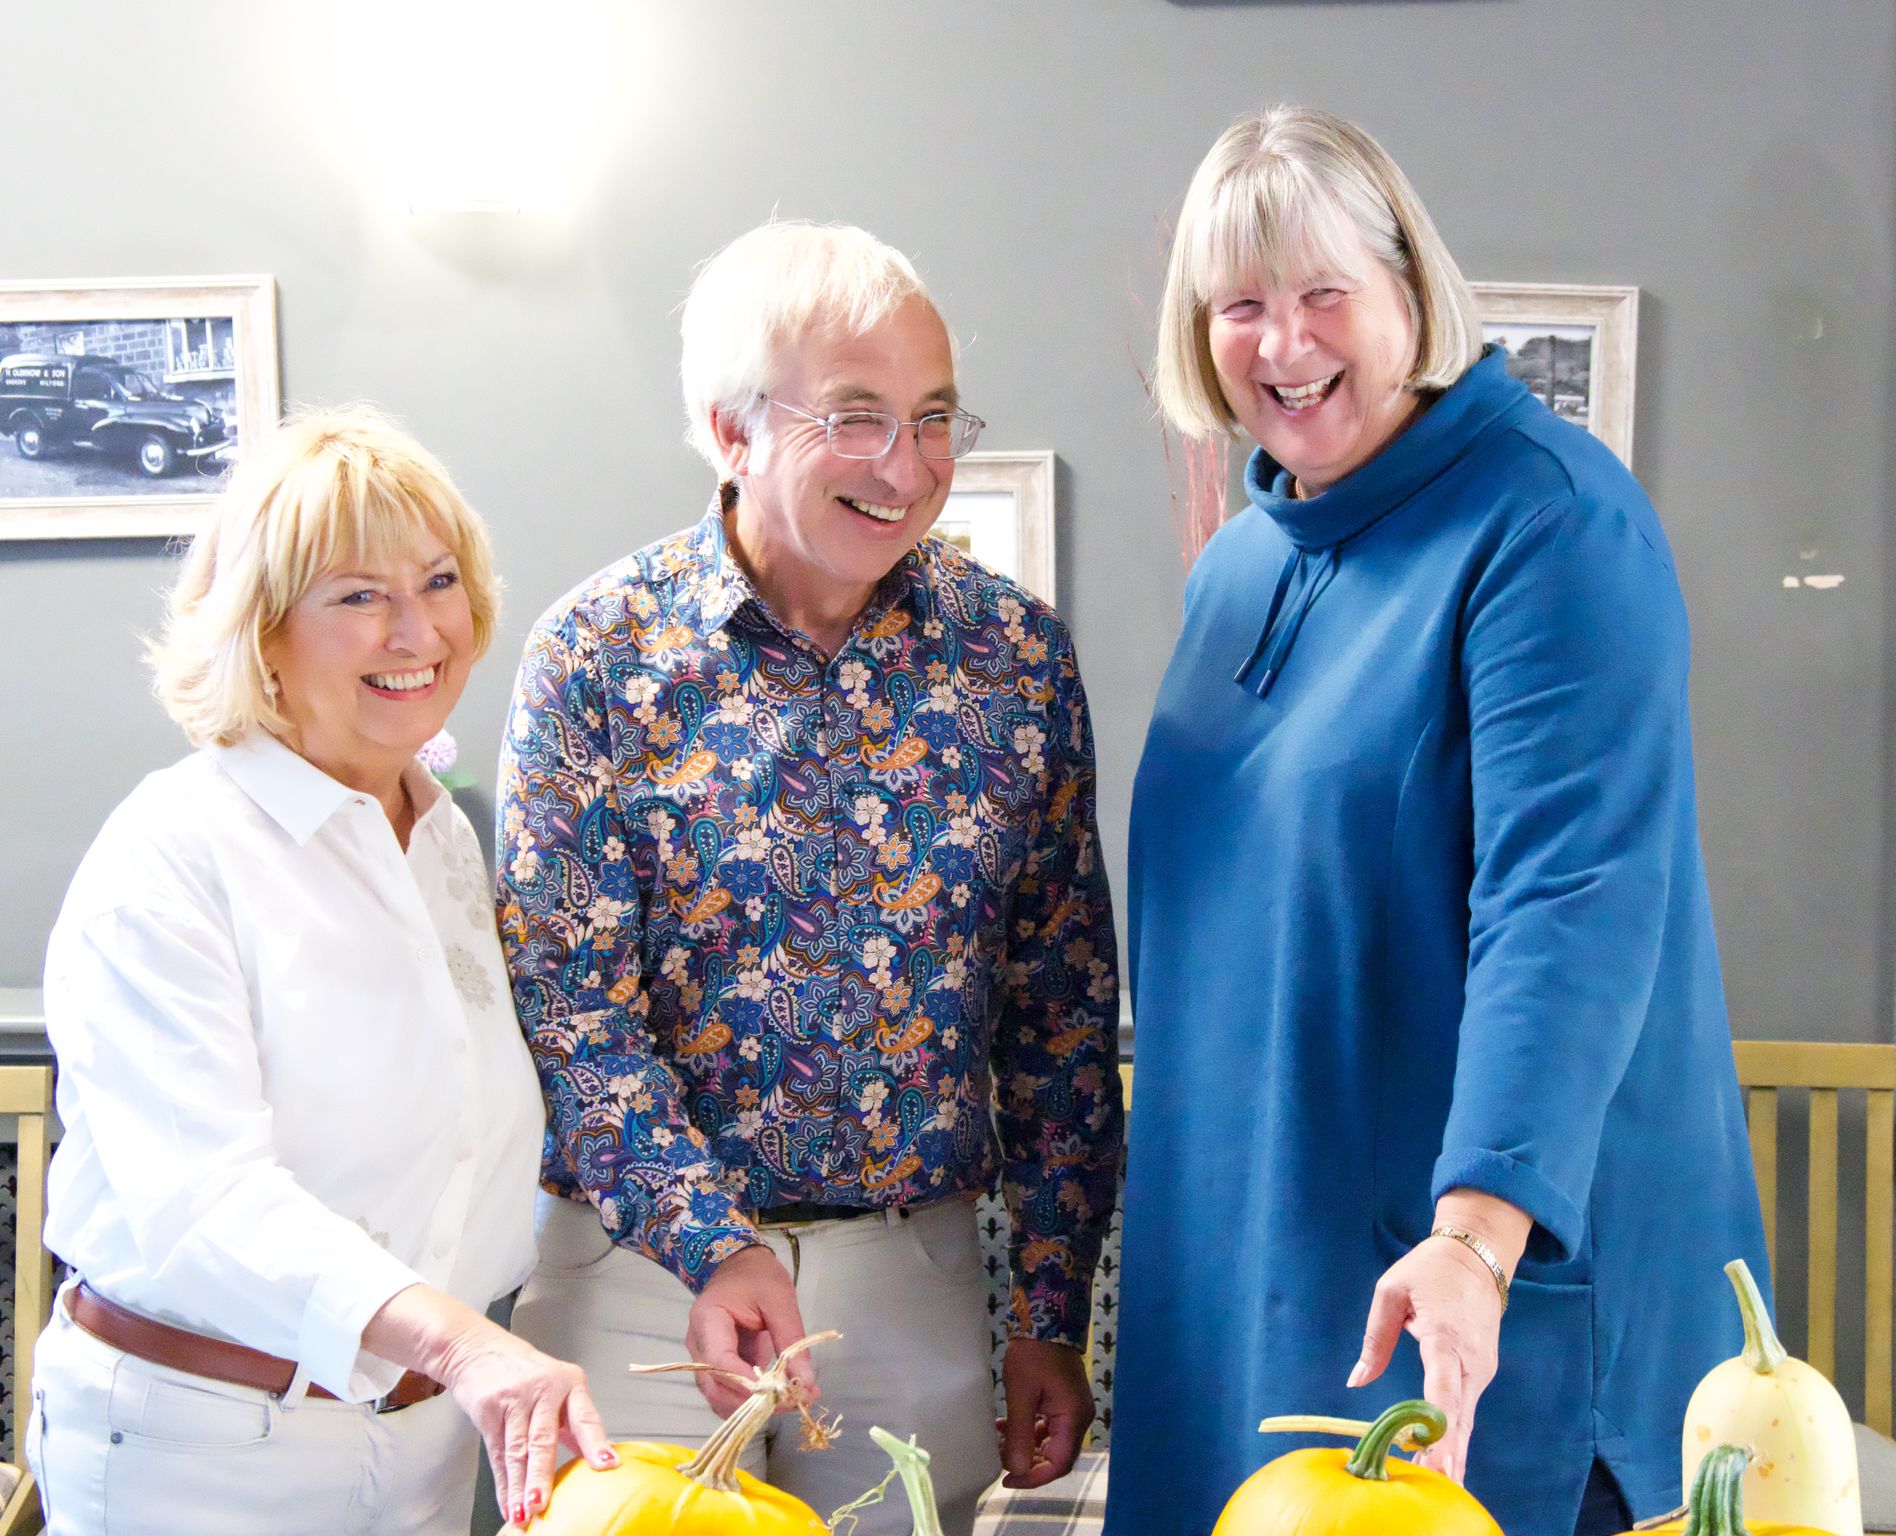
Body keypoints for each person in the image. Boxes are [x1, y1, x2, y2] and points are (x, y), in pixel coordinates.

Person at [1106, 107, 1770, 1536]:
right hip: (1249, 1277)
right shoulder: (1237, 566)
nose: (1283, 344)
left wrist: (1474, 1235)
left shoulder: (1552, 522)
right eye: (1240, 306)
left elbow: (1568, 903)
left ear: (1410, 287)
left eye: (1322, 291)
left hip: (1470, 1269)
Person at [498, 219, 1123, 1535]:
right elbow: (571, 1009)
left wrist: (1048, 1314)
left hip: (912, 1276)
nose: (907, 464)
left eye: (933, 416)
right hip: (640, 1275)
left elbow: (1057, 1014)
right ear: (729, 431)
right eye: (855, 417)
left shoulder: (1015, 661)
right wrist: (710, 1239)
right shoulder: (594, 656)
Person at [31, 409, 615, 1536]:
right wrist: (466, 1344)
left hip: (424, 1444)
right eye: (357, 596)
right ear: (260, 631)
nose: (419, 631)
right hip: (204, 1449)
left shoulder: (441, 837)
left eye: (438, 581)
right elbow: (202, 1201)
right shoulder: (171, 854)